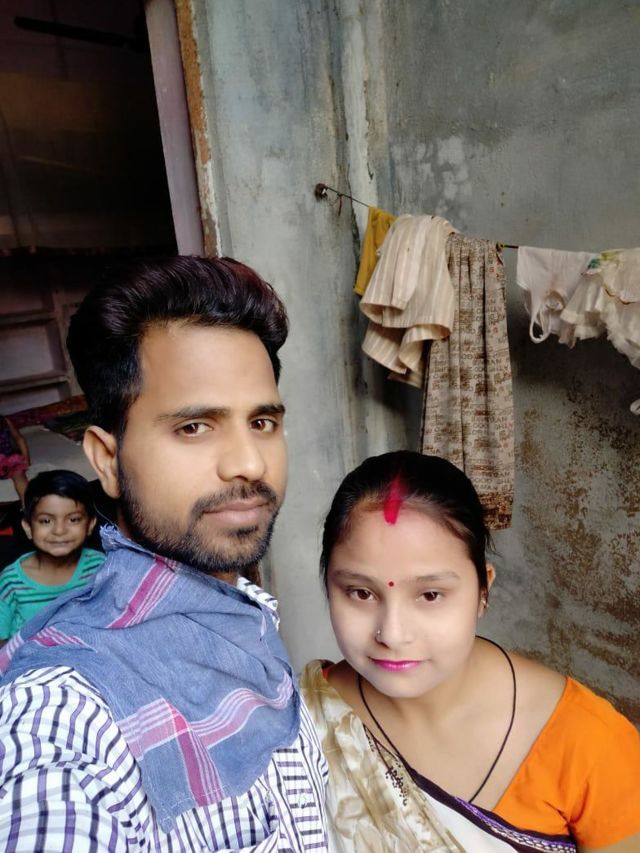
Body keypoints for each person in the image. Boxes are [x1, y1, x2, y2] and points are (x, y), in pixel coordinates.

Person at [0, 257, 328, 851]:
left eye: (262, 422)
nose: (249, 462)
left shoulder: (247, 618)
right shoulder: (64, 713)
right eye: (194, 427)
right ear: (107, 460)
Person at [301, 451, 640, 852]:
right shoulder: (298, 724)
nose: (392, 634)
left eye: (430, 595)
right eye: (360, 593)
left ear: (483, 591)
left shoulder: (588, 742)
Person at [0, 469, 104, 643]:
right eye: (46, 521)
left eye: (73, 519)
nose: (59, 531)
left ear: (90, 525)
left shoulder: (100, 566)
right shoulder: (11, 583)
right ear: (28, 528)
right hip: (27, 657)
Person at [0, 413, 30, 502]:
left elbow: (19, 439)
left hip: (9, 459)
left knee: (18, 474)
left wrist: (26, 458)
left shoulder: (5, 421)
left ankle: (27, 505)